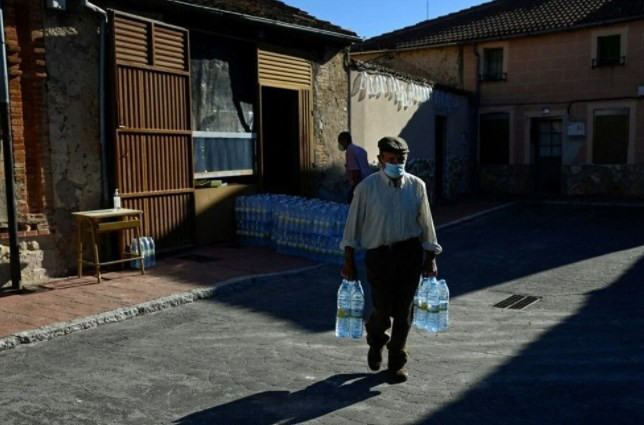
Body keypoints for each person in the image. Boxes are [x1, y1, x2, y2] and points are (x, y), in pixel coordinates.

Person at [340, 136, 442, 383]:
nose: (397, 163)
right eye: (391, 159)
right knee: (383, 309)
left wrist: (431, 257)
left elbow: (426, 223)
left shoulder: (417, 186)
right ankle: (376, 341)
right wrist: (348, 260)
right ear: (380, 160)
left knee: (404, 311)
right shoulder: (366, 188)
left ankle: (396, 360)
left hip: (409, 254)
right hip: (379, 256)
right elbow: (352, 227)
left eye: (401, 159)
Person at [338, 131, 371, 203]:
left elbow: (356, 172)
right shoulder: (360, 149)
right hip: (368, 182)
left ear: (345, 141)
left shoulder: (350, 152)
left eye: (340, 142)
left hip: (359, 184)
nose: (340, 145)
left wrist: (355, 189)